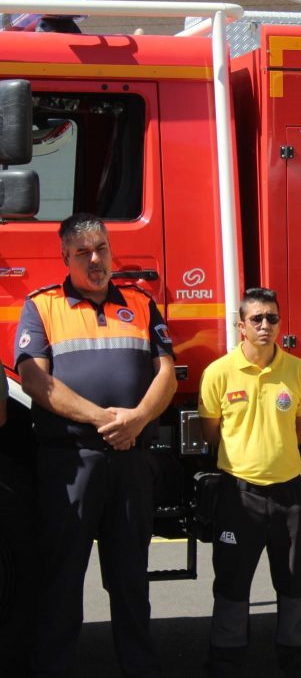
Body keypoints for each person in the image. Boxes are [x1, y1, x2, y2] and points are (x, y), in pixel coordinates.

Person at [14, 212, 176, 677]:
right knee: (62, 581)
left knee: (130, 582)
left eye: (101, 249)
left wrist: (139, 419)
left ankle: (139, 669)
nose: (95, 259)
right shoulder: (43, 305)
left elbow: (166, 371)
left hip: (131, 461)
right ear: (65, 257)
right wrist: (104, 420)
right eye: (83, 253)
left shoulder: (142, 305)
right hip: (72, 462)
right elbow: (33, 379)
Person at [198, 287, 301, 676]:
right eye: (257, 319)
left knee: (294, 580)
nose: (265, 325)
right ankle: (227, 661)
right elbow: (212, 432)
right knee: (232, 583)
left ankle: (294, 657)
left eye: (272, 318)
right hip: (239, 494)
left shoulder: (298, 371)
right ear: (241, 326)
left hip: (289, 495)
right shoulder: (218, 373)